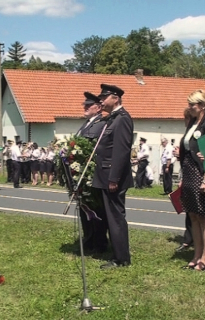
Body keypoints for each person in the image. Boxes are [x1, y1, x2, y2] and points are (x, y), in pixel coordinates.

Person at [91, 84, 134, 269]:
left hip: (112, 176)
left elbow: (121, 151)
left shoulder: (122, 119)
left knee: (115, 218)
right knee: (110, 217)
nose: (101, 100)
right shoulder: (112, 118)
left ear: (115, 98)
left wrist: (114, 178)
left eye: (105, 97)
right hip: (105, 174)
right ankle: (117, 252)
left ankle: (121, 259)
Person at [179, 89, 205, 271]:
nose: (190, 107)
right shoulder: (193, 123)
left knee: (203, 215)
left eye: (192, 104)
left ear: (202, 106)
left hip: (201, 173)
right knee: (193, 215)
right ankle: (196, 254)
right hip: (188, 172)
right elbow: (186, 150)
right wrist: (181, 177)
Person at [76, 91, 105, 253]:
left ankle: (98, 242)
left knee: (96, 211)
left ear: (99, 107)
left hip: (93, 175)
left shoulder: (101, 123)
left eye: (89, 105)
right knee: (84, 209)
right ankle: (88, 239)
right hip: (81, 174)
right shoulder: (86, 124)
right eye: (85, 105)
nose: (85, 108)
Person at [174, 108, 193, 253]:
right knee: (189, 211)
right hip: (186, 174)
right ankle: (189, 238)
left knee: (195, 213)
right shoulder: (186, 136)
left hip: (194, 176)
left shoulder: (195, 135)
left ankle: (190, 240)